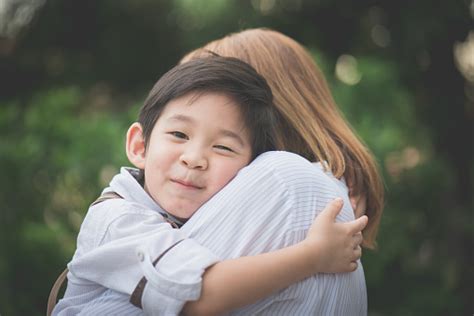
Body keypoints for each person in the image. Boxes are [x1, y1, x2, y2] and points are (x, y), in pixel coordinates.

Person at [52, 56, 367, 316]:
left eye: (224, 148)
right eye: (179, 135)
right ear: (139, 146)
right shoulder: (118, 218)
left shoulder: (196, 212)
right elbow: (197, 298)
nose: (194, 159)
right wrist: (312, 256)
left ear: (249, 174)